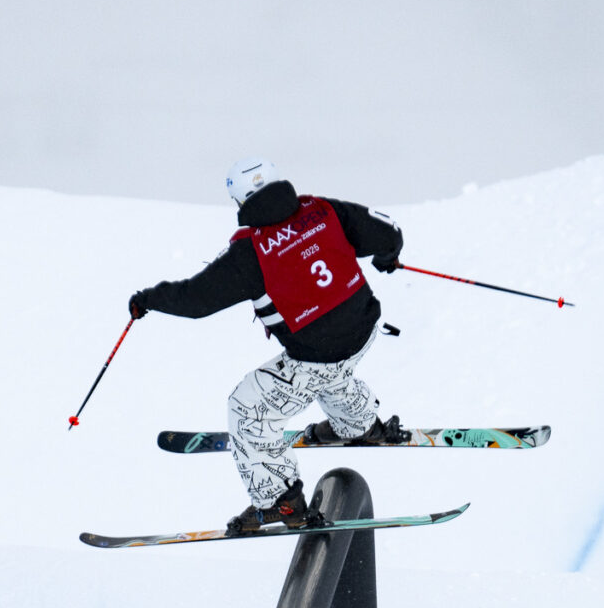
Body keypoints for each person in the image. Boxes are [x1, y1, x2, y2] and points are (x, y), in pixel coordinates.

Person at [128, 158, 406, 535]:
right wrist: (387, 259)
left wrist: (147, 299)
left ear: (240, 200)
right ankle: (357, 423)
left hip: (317, 354)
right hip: (364, 328)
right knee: (327, 370)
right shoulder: (323, 210)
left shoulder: (250, 253)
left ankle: (279, 501)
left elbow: (196, 300)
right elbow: (388, 231)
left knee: (248, 410)